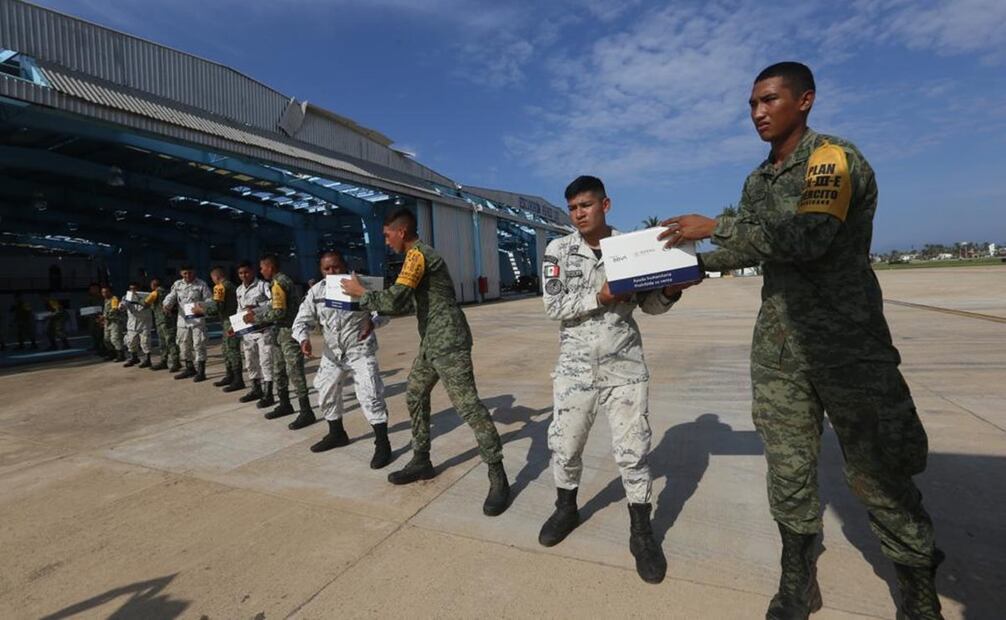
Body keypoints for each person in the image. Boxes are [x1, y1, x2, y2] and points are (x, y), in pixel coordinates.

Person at [660, 62, 942, 619]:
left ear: (805, 100)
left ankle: (918, 587)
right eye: (752, 104)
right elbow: (754, 248)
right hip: (781, 352)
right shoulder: (757, 181)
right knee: (788, 470)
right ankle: (797, 580)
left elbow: (809, 238)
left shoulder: (830, 160)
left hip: (847, 345)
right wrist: (682, 269)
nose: (758, 113)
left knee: (877, 470)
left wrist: (714, 226)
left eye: (769, 100)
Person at [536, 175, 695, 584]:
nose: (578, 214)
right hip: (575, 369)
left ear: (605, 205)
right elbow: (554, 306)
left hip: (624, 367)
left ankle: (641, 532)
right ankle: (566, 507)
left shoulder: (629, 249)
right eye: (572, 208)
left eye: (585, 205)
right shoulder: (558, 250)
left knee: (633, 452)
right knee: (565, 446)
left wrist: (671, 292)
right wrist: (600, 297)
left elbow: (650, 306)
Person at [341, 208, 510, 516]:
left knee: (468, 405)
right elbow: (403, 302)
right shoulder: (412, 259)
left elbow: (394, 300)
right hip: (432, 341)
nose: (386, 240)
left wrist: (360, 293)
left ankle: (497, 474)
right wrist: (373, 312)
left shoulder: (418, 255)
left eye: (387, 234)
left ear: (401, 232)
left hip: (449, 342)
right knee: (415, 393)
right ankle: (422, 460)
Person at [293, 251, 392, 467]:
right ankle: (336, 433)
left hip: (360, 349)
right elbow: (301, 320)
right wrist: (303, 339)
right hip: (333, 352)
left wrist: (373, 323)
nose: (331, 272)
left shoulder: (362, 284)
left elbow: (385, 310)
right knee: (325, 390)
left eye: (336, 267)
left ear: (345, 266)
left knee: (370, 393)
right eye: (326, 269)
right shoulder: (317, 292)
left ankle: (383, 443)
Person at [244, 254, 315, 427]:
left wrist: (256, 319)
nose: (261, 271)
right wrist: (259, 311)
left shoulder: (278, 283)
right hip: (280, 332)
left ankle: (306, 412)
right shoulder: (279, 282)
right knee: (279, 369)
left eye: (262, 268)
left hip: (289, 332)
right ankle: (285, 404)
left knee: (294, 371)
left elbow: (279, 312)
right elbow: (274, 307)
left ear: (270, 267)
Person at [234, 261, 275, 408]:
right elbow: (240, 310)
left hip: (263, 329)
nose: (244, 275)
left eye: (246, 272)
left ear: (252, 271)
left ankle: (268, 393)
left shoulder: (263, 286)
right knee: (250, 361)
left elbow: (274, 302)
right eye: (240, 273)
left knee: (266, 361)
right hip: (248, 332)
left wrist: (257, 307)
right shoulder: (239, 290)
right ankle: (256, 389)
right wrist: (236, 327)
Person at [163, 265, 212, 382]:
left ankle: (201, 371)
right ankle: (189, 369)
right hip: (182, 321)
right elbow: (171, 296)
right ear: (181, 273)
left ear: (194, 272)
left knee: (199, 345)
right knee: (183, 345)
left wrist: (201, 306)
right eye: (185, 273)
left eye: (190, 273)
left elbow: (209, 299)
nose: (188, 275)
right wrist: (167, 304)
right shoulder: (177, 285)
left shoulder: (201, 284)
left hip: (197, 321)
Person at [202, 266, 244, 393]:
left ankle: (238, 379)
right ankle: (230, 375)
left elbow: (217, 308)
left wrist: (202, 310)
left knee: (232, 350)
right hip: (233, 321)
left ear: (215, 277)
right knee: (227, 349)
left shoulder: (219, 287)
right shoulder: (232, 286)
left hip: (229, 322)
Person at [146, 277, 180, 372]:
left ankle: (174, 362)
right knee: (167, 342)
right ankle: (167, 361)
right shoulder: (167, 293)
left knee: (167, 342)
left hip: (162, 321)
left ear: (153, 285)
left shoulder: (154, 293)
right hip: (167, 320)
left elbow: (145, 304)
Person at [121, 282, 154, 368]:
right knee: (131, 341)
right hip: (132, 323)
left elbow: (149, 304)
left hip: (144, 323)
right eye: (131, 289)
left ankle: (147, 360)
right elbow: (121, 307)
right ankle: (134, 358)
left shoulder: (147, 295)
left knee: (145, 342)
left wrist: (138, 299)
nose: (133, 291)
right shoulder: (126, 297)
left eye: (135, 288)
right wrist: (123, 305)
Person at [99, 285, 125, 362]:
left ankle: (121, 355)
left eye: (106, 292)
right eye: (103, 292)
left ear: (110, 292)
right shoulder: (106, 300)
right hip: (108, 322)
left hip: (115, 322)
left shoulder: (114, 299)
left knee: (115, 339)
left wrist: (104, 316)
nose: (104, 294)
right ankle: (112, 354)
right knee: (106, 339)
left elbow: (114, 309)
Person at [84, 283, 106, 357]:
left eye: (95, 288)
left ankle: (103, 349)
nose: (93, 290)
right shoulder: (88, 298)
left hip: (100, 318)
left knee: (101, 334)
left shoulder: (102, 297)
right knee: (93, 333)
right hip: (91, 318)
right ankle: (97, 346)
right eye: (92, 289)